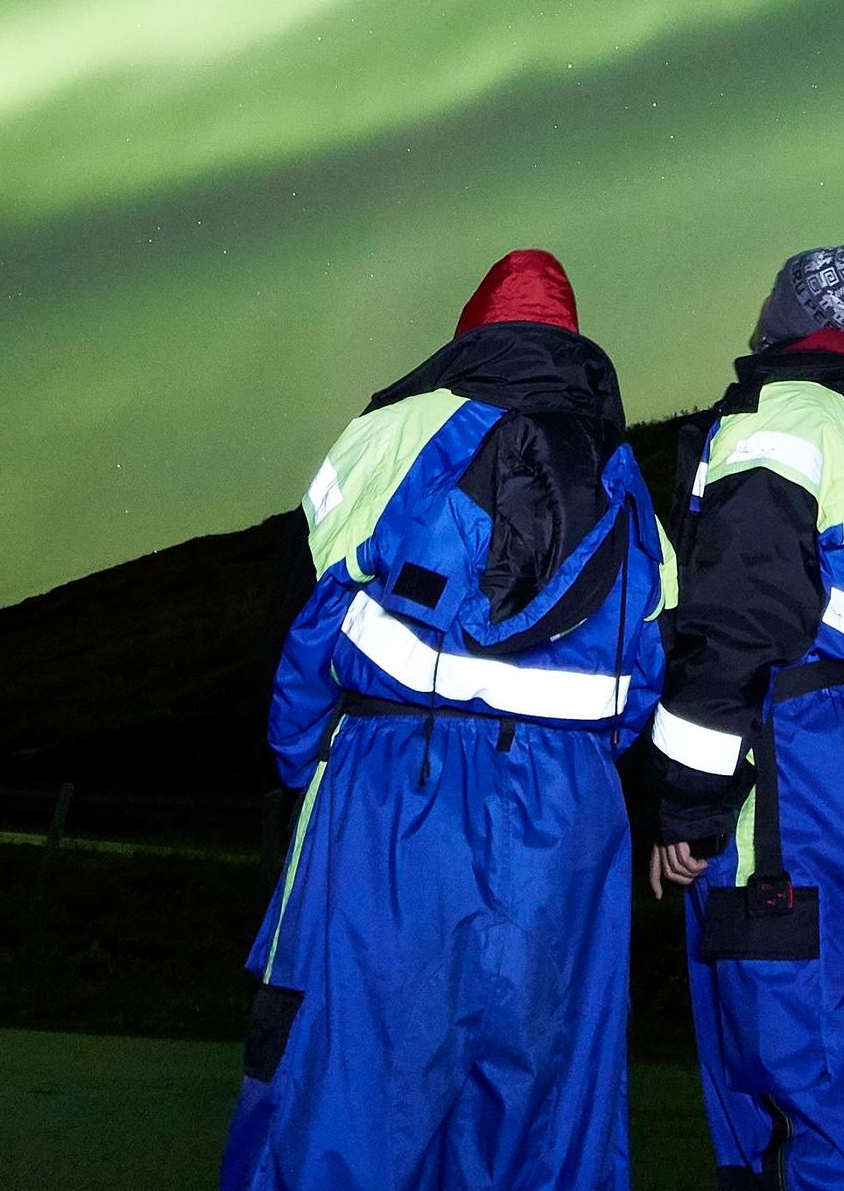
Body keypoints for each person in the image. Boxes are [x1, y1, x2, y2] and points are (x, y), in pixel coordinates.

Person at [221, 248, 675, 1191]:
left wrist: (305, 757)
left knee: (350, 1087)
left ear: (472, 329)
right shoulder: (626, 476)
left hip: (395, 791)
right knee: (541, 1108)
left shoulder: (391, 432)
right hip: (566, 820)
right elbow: (646, 670)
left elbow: (304, 605)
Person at [648, 246, 844, 1191]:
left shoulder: (774, 427)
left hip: (795, 781)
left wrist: (691, 815)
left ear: (784, 315)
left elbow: (735, 623)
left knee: (803, 1073)